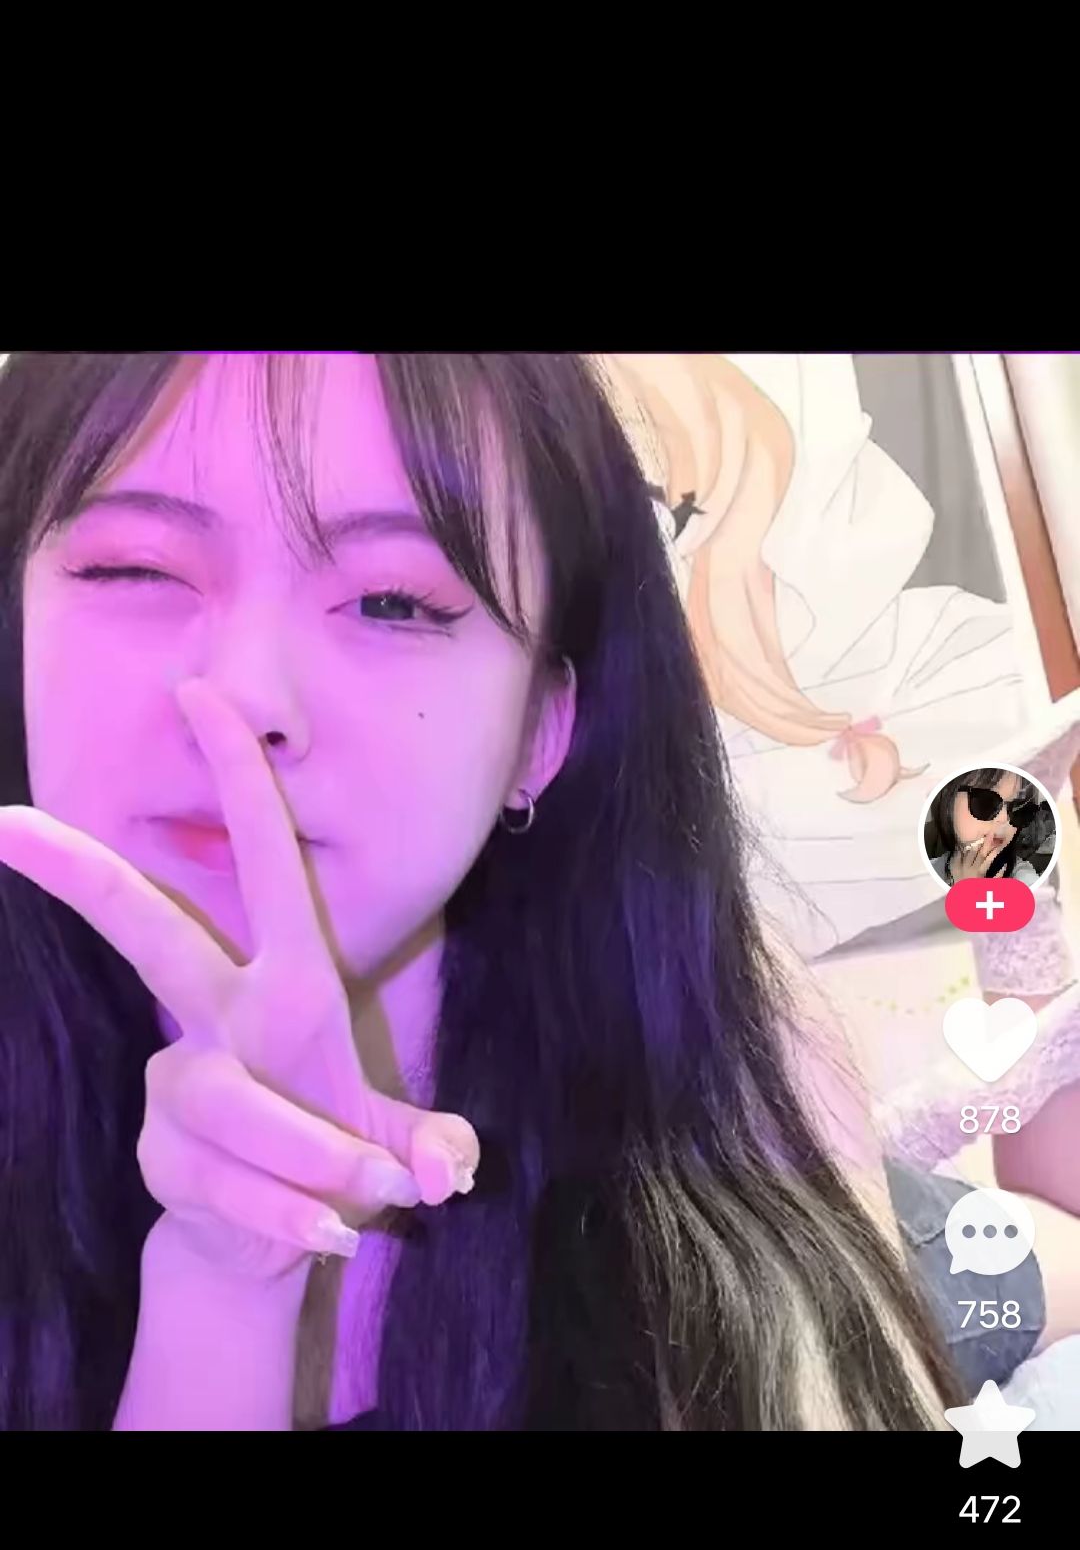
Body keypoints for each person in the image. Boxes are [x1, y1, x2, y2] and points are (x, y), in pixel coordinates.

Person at [0, 350, 995, 1433]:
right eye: (135, 569)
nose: (243, 694)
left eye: (393, 600)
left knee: (1021, 1265)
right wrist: (225, 1275)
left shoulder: (726, 1060)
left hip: (925, 1233)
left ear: (539, 730)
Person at [923, 770, 1054, 888]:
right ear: (948, 801)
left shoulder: (1023, 879)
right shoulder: (924, 873)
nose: (1004, 818)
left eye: (1019, 809)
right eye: (986, 801)